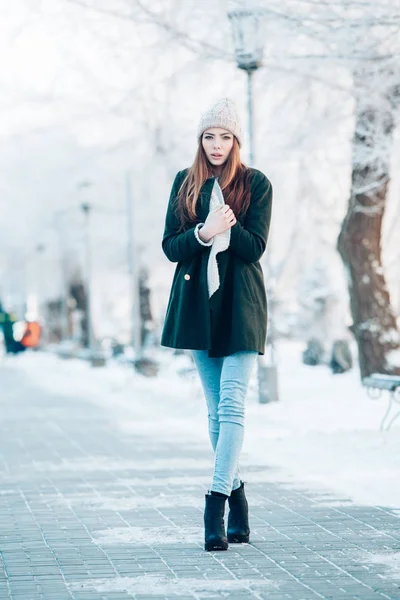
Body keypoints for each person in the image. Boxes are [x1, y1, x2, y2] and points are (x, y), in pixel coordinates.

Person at [161, 98, 273, 551]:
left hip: (240, 306)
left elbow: (255, 248)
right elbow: (171, 246)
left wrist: (228, 228)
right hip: (197, 306)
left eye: (225, 137)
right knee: (214, 412)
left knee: (231, 406)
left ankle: (217, 502)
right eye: (209, 136)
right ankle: (240, 497)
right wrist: (203, 232)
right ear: (200, 139)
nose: (217, 145)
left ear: (236, 141)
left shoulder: (255, 184)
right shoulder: (184, 183)